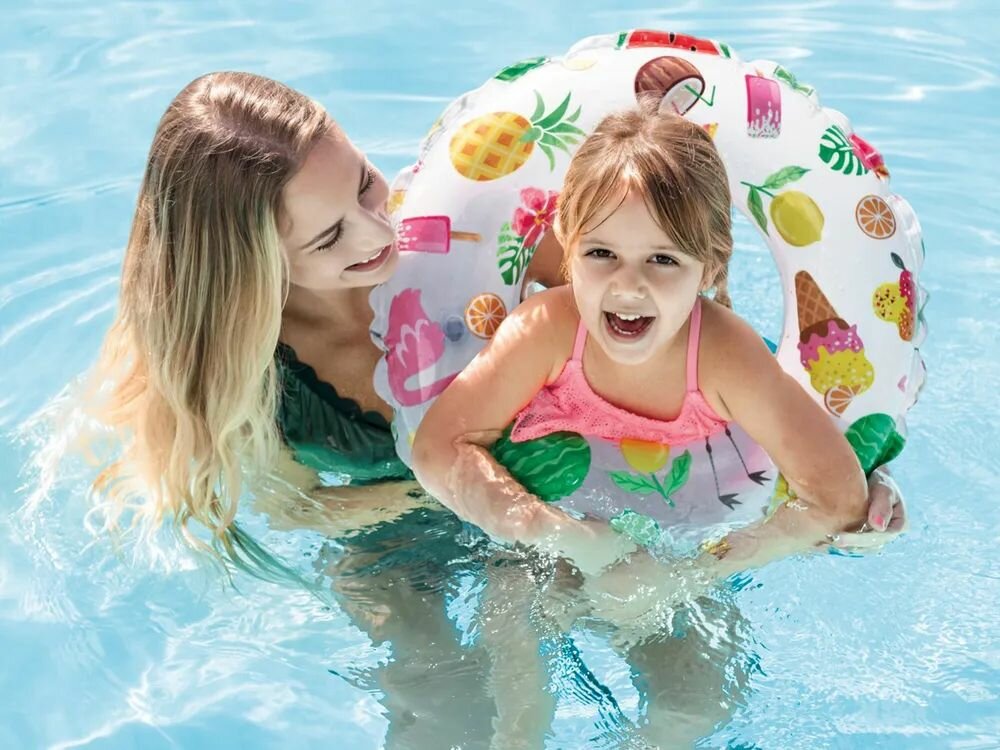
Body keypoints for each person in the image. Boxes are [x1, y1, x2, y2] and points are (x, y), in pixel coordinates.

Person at [58, 73, 903, 745]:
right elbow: (296, 508)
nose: (376, 234)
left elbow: (697, 360)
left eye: (365, 185)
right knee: (443, 710)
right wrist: (466, 494)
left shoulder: (487, 247)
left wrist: (853, 465)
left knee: (700, 694)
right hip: (399, 542)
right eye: (329, 237)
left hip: (589, 506)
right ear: (251, 268)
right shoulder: (237, 371)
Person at [410, 102, 904, 743]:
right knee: (512, 647)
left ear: (711, 267)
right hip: (549, 546)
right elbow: (439, 448)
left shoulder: (726, 357)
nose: (628, 285)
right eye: (602, 253)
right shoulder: (546, 332)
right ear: (567, 243)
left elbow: (835, 497)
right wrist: (565, 536)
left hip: (680, 556)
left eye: (663, 260)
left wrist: (681, 579)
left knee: (696, 707)